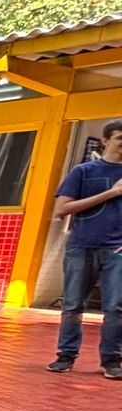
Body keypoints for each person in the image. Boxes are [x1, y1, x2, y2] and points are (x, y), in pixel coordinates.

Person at [48, 119, 122, 380]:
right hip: (81, 247)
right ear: (105, 141)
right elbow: (61, 210)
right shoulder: (83, 171)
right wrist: (110, 194)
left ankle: (111, 360)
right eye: (120, 139)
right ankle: (66, 355)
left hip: (118, 250)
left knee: (116, 307)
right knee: (73, 305)